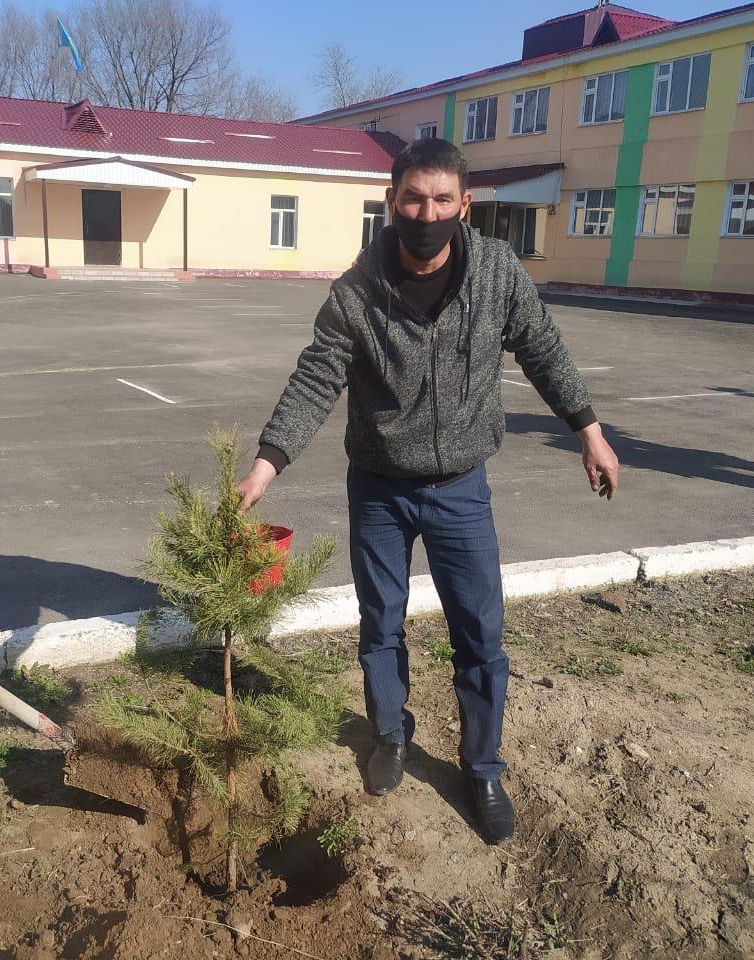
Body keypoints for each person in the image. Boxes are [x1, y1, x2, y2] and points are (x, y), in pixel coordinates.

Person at [236, 139, 619, 845]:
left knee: (479, 632)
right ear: (392, 201)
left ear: (465, 205)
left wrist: (588, 429)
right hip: (379, 489)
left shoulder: (497, 274)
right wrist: (266, 466)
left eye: (443, 200)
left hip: (460, 491)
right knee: (380, 623)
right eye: (414, 199)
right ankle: (390, 734)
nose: (427, 213)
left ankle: (483, 767)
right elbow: (316, 378)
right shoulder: (356, 292)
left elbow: (542, 346)